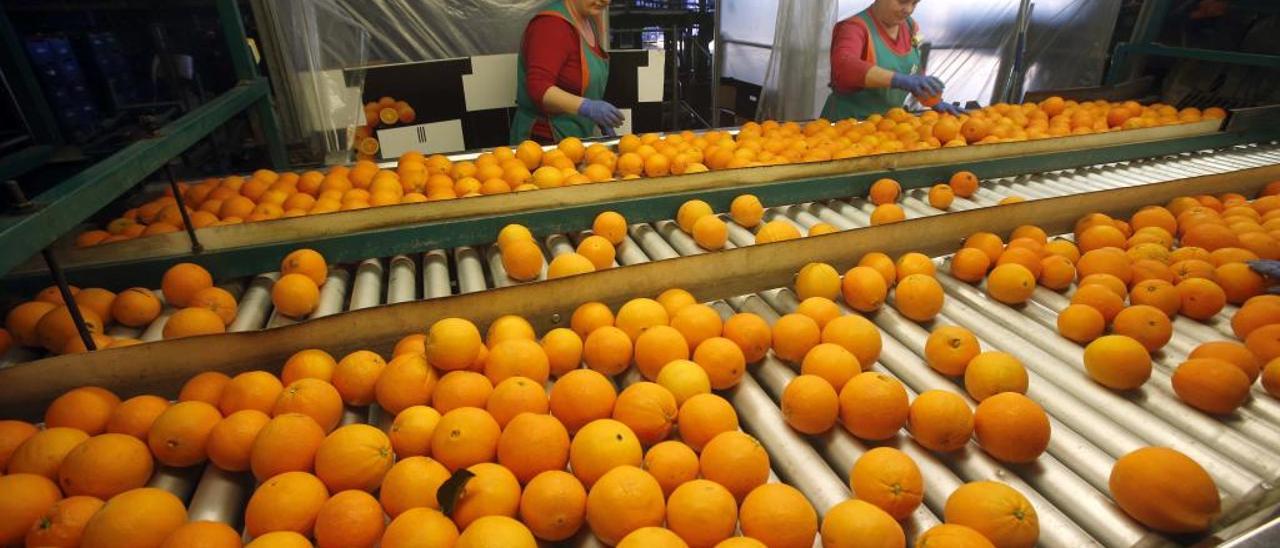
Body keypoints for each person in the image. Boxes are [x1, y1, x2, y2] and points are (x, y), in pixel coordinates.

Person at [821, 0, 964, 120]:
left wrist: (933, 100)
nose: (908, 9)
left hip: (889, 127)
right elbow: (844, 66)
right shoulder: (854, 28)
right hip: (847, 127)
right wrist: (899, 80)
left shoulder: (910, 27)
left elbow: (914, 69)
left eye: (914, 3)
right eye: (902, 1)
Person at [510, 0, 624, 144]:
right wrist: (587, 107)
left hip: (574, 138)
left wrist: (597, 117)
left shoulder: (588, 21)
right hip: (543, 142)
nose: (605, 1)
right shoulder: (551, 25)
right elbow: (539, 88)